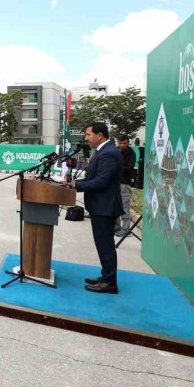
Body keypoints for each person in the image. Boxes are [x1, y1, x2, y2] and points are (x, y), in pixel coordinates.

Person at [69, 122, 124, 294]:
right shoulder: (103, 152)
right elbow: (94, 177)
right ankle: (106, 276)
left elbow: (101, 181)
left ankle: (110, 283)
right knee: (103, 244)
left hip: (105, 207)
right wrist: (74, 183)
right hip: (100, 206)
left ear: (100, 135)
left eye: (88, 134)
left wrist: (76, 186)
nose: (86, 138)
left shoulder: (109, 153)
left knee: (105, 245)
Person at [116, 134, 136, 237]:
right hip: (114, 183)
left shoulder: (131, 153)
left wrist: (116, 167)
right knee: (114, 207)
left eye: (124, 143)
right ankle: (117, 228)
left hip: (124, 183)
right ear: (117, 142)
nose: (122, 145)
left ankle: (125, 230)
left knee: (124, 207)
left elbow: (129, 167)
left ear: (128, 142)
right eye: (120, 143)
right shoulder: (115, 151)